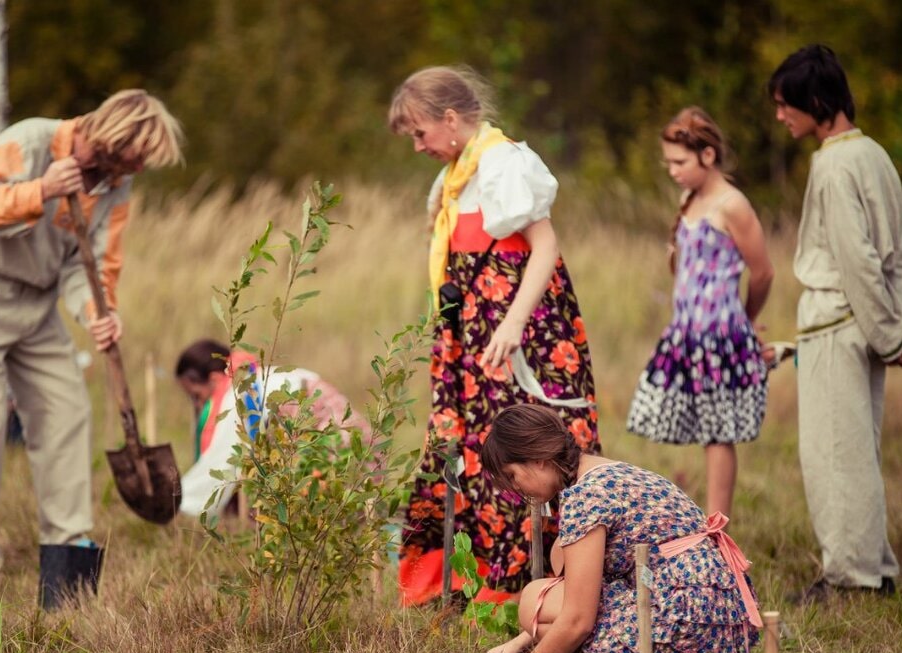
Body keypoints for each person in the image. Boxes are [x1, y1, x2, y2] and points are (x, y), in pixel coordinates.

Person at [0, 90, 184, 605]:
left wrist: (100, 313)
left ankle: (67, 547)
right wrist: (40, 190)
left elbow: (93, 263)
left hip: (40, 301)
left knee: (67, 409)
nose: (141, 165)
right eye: (139, 153)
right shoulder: (29, 142)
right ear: (118, 136)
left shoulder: (117, 185)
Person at [387, 65, 601, 608]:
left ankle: (536, 589)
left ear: (451, 118)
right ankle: (468, 580)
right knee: (473, 449)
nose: (417, 146)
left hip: (519, 335)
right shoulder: (459, 172)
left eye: (420, 132)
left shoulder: (504, 163)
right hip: (474, 334)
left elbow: (544, 246)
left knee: (524, 451)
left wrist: (511, 324)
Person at [475, 404, 761, 653]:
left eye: (512, 476)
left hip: (681, 625)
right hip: (721, 633)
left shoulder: (585, 497)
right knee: (547, 600)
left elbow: (577, 620)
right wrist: (522, 640)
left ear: (539, 459)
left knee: (534, 599)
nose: (516, 489)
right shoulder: (613, 471)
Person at [768, 45, 902, 603]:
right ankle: (872, 568)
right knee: (859, 449)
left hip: (838, 322)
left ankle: (851, 577)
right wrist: (895, 328)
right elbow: (898, 252)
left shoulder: (833, 163)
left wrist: (887, 334)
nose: (781, 116)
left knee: (835, 454)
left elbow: (858, 257)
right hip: (865, 320)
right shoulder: (874, 154)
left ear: (817, 100)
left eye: (787, 105)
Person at [626, 108, 775, 518]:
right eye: (668, 162)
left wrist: (745, 318)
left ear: (708, 156)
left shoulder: (733, 205)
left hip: (719, 336)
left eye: (680, 162)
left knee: (717, 432)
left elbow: (762, 272)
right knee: (678, 420)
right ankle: (677, 514)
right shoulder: (688, 200)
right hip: (687, 333)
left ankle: (717, 530)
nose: (672, 170)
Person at [175, 339, 368, 520]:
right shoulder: (256, 377)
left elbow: (221, 462)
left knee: (333, 505)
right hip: (350, 430)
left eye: (196, 396)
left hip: (332, 435)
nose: (198, 404)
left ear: (215, 379)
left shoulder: (237, 397)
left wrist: (181, 500)